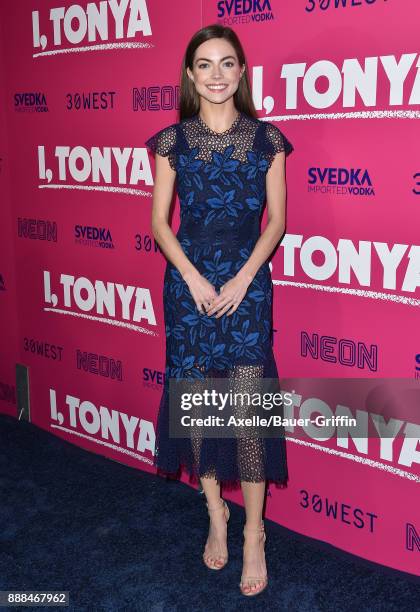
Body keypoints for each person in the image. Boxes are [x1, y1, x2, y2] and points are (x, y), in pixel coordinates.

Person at [145, 23, 293, 597]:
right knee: (199, 406)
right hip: (189, 287)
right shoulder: (170, 142)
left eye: (226, 63)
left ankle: (255, 531)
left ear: (241, 71)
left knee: (248, 410)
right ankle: (216, 513)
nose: (215, 74)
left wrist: (243, 277)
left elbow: (276, 220)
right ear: (189, 74)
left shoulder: (268, 140)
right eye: (203, 64)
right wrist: (193, 277)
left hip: (247, 285)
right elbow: (160, 222)